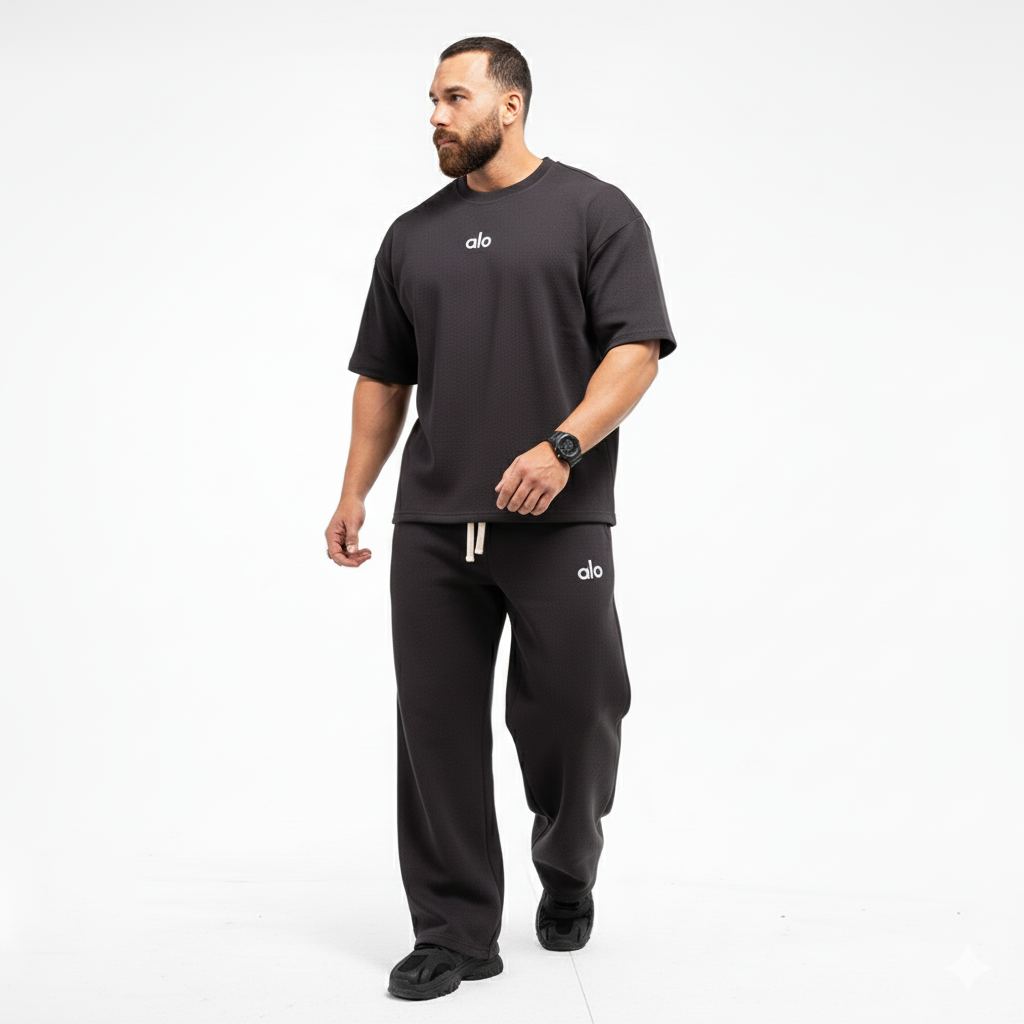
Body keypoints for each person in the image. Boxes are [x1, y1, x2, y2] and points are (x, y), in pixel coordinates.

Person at [325, 36, 677, 1001]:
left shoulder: (594, 212)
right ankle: (453, 931)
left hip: (559, 520)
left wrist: (563, 447)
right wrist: (355, 490)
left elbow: (636, 351)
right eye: (432, 101)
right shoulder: (412, 236)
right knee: (435, 731)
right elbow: (383, 377)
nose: (436, 117)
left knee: (575, 716)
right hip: (436, 524)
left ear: (509, 104)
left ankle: (568, 866)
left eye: (454, 98)